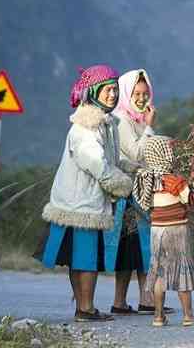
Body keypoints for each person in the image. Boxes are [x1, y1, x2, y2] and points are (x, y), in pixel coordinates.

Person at [35, 65, 134, 322]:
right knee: (85, 260)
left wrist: (131, 168)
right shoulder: (86, 127)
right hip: (82, 204)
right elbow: (98, 164)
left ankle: (83, 307)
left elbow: (110, 159)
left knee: (79, 259)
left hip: (80, 201)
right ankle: (86, 308)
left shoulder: (104, 123)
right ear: (94, 92)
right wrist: (123, 185)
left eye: (115, 89)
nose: (112, 94)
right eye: (107, 90)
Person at [104, 69, 174, 315]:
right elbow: (136, 153)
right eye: (137, 93)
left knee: (145, 247)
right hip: (127, 192)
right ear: (127, 93)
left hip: (142, 191)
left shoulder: (138, 118)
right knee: (129, 249)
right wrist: (150, 128)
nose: (142, 97)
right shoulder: (121, 119)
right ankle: (120, 301)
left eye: (146, 93)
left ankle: (147, 300)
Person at [133, 136, 194, 327]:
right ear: (166, 154)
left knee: (159, 271)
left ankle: (158, 316)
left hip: (157, 230)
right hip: (177, 230)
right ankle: (188, 316)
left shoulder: (146, 180)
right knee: (182, 268)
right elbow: (190, 200)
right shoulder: (175, 181)